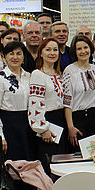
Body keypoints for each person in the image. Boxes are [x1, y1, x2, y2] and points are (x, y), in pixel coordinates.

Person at [0, 41, 33, 159]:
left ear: (24, 57)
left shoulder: (29, 76)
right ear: (4, 57)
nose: (15, 57)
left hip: (28, 125)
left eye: (19, 54)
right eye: (11, 54)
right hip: (8, 126)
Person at [28, 38, 67, 171]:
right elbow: (35, 104)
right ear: (41, 53)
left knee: (61, 163)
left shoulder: (59, 74)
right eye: (48, 49)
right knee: (49, 164)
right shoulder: (38, 74)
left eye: (55, 50)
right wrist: (42, 129)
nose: (52, 53)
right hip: (48, 122)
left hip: (61, 120)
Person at [63, 35, 95, 147]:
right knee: (79, 155)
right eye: (79, 49)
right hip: (77, 119)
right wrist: (70, 127)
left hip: (94, 118)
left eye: (85, 47)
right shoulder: (69, 70)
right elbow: (67, 102)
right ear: (74, 52)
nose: (83, 51)